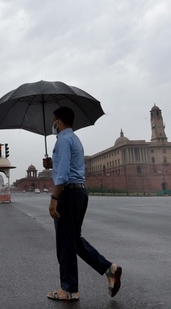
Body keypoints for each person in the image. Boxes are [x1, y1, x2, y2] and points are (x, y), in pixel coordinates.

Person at [46, 106, 122, 301]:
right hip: (80, 192)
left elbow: (63, 175)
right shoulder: (75, 139)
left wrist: (54, 198)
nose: (52, 125)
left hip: (67, 194)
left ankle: (69, 289)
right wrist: (52, 164)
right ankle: (108, 269)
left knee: (65, 242)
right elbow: (69, 166)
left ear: (59, 121)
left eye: (54, 120)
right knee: (74, 240)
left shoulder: (62, 140)